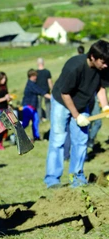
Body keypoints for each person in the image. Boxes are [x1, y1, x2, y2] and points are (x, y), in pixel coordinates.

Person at [44, 40, 109, 189]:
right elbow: (65, 93)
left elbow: (100, 88)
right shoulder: (75, 67)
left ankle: (77, 178)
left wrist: (105, 106)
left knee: (81, 141)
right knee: (58, 140)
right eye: (103, 62)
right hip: (62, 101)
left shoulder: (104, 67)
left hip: (82, 103)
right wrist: (76, 115)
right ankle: (52, 180)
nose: (106, 65)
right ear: (92, 56)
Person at [21, 69, 51, 141]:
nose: (36, 77)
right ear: (31, 76)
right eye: (35, 76)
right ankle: (16, 134)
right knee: (25, 123)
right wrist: (52, 98)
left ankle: (36, 137)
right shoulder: (30, 84)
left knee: (36, 121)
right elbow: (41, 92)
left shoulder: (33, 84)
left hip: (33, 107)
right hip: (28, 107)